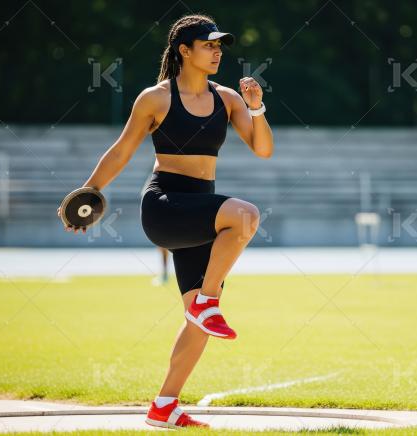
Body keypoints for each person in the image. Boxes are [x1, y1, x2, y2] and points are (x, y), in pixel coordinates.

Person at [59, 14, 273, 428]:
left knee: (197, 321)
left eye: (219, 46)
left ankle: (165, 405)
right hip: (165, 205)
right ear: (184, 51)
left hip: (201, 209)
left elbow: (262, 149)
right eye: (208, 45)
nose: (217, 52)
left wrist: (256, 107)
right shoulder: (155, 98)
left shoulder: (227, 98)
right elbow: (121, 151)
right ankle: (208, 303)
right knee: (246, 216)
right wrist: (88, 194)